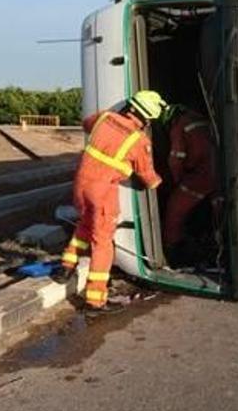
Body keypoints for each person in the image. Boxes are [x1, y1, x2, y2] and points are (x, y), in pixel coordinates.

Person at [56, 90, 166, 314]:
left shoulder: (105, 118)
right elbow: (147, 176)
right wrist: (159, 183)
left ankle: (65, 268)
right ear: (146, 119)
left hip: (81, 184)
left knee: (85, 225)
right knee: (103, 243)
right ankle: (95, 301)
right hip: (102, 192)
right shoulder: (139, 140)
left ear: (130, 106)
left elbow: (87, 124)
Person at [162, 104, 216, 254]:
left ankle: (173, 247)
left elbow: (176, 158)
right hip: (219, 170)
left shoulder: (179, 125)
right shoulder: (202, 119)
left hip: (202, 174)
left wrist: (177, 181)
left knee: (175, 207)